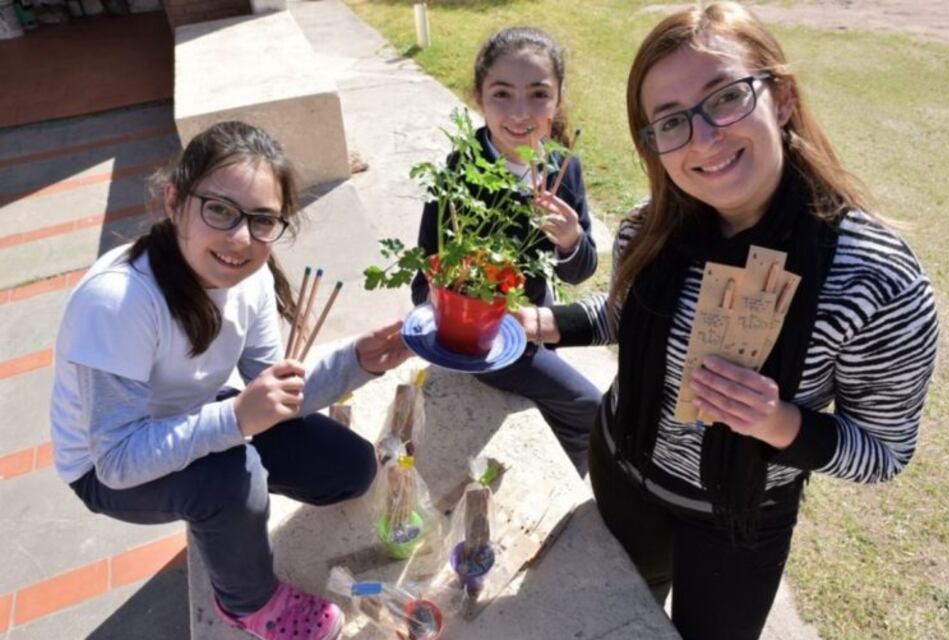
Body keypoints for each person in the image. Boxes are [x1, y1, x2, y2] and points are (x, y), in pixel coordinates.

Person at [518, 3, 939, 638]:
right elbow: (623, 317)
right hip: (620, 476)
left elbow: (884, 450)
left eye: (727, 97)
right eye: (672, 121)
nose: (705, 138)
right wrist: (544, 323)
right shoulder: (647, 226)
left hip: (739, 526)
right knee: (610, 621)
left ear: (784, 98)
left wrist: (781, 423)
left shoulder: (876, 280)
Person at [49, 122, 411, 640]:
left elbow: (274, 391)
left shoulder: (252, 277)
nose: (240, 239)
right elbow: (116, 460)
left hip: (191, 412)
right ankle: (249, 603)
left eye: (263, 220)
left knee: (350, 469)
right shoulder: (118, 302)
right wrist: (237, 419)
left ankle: (220, 517)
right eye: (219, 210)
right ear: (175, 200)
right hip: (104, 463)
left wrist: (359, 361)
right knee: (229, 481)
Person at [411, 26, 602, 476]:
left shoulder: (562, 167)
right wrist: (455, 320)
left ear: (557, 99)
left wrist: (570, 240)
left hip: (539, 315)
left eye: (538, 94)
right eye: (502, 94)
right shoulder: (462, 169)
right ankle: (580, 477)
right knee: (593, 407)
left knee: (559, 401)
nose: (520, 113)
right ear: (479, 97)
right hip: (484, 339)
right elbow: (425, 278)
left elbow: (579, 273)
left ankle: (569, 468)